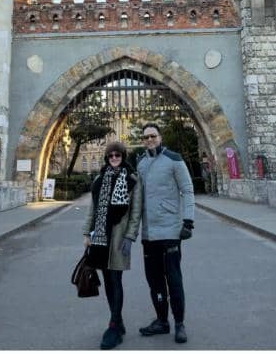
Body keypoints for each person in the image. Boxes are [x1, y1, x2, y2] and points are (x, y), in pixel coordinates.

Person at [136, 123, 195, 344]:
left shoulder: (174, 159)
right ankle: (162, 321)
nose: (149, 139)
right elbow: (137, 199)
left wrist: (188, 222)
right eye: (145, 137)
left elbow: (187, 190)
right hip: (149, 233)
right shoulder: (140, 163)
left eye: (153, 135)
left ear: (160, 137)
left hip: (170, 230)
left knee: (174, 279)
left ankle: (179, 323)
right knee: (154, 280)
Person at [83, 140, 143, 350]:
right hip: (100, 237)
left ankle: (113, 326)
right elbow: (93, 209)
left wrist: (130, 237)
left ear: (123, 157)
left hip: (118, 238)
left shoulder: (132, 180)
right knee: (108, 280)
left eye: (118, 155)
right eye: (111, 156)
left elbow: (136, 212)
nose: (114, 159)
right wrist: (86, 232)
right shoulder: (100, 179)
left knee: (115, 279)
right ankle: (118, 321)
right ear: (107, 158)